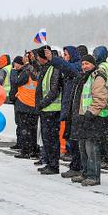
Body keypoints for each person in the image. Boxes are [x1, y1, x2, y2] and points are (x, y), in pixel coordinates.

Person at [74, 54, 108, 187]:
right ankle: (86, 172)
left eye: (87, 64)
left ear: (93, 64)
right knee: (83, 147)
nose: (84, 66)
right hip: (85, 116)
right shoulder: (86, 77)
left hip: (95, 118)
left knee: (92, 148)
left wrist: (91, 112)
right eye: (83, 64)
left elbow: (101, 98)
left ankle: (94, 176)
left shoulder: (97, 76)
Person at [51, 46, 84, 178]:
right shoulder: (69, 69)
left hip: (74, 109)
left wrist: (54, 59)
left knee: (74, 140)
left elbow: (67, 67)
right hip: (69, 108)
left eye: (66, 54)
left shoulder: (76, 67)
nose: (65, 57)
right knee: (70, 138)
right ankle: (75, 166)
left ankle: (77, 167)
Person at [35, 46, 65, 175]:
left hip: (52, 110)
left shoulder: (54, 68)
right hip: (46, 109)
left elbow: (54, 90)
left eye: (38, 57)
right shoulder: (45, 68)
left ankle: (54, 165)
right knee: (46, 139)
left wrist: (42, 103)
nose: (37, 59)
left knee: (52, 139)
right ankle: (49, 162)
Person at [11, 54, 41, 161]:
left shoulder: (26, 71)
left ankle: (26, 150)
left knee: (25, 129)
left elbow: (16, 82)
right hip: (34, 104)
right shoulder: (36, 71)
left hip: (24, 103)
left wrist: (14, 71)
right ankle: (33, 150)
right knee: (32, 130)